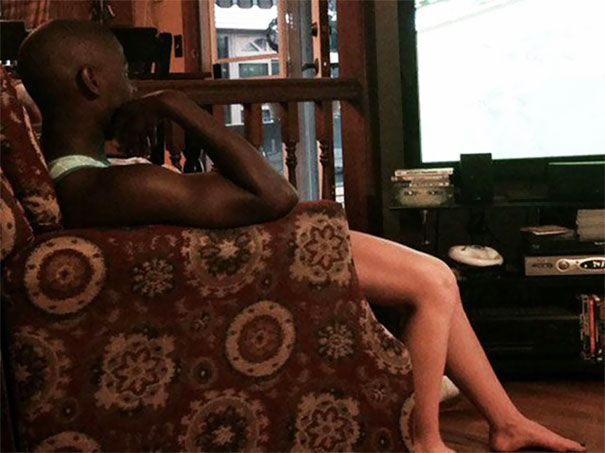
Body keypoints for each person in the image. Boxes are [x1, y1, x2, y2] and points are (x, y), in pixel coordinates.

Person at [17, 20, 584, 453]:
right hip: (278, 262)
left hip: (277, 250)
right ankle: (425, 440)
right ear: (93, 81)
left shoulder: (87, 173)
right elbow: (275, 194)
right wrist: (178, 107)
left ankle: (506, 422)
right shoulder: (110, 184)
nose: (133, 85)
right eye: (125, 73)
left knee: (435, 275)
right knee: (433, 282)